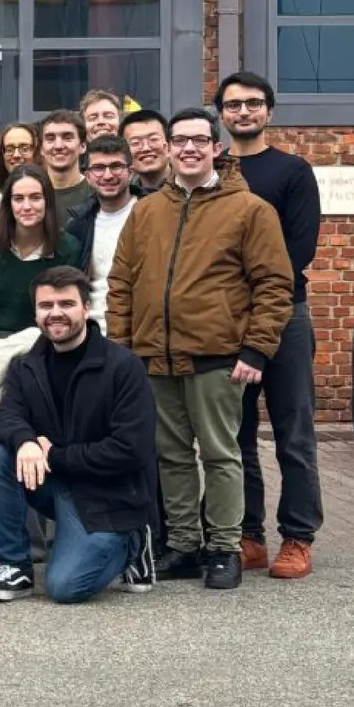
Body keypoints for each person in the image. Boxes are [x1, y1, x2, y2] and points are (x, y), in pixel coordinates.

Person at [107, 107, 293, 590]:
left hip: (218, 358)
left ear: (216, 148)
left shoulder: (250, 210)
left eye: (198, 140)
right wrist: (122, 350)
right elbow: (121, 283)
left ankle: (225, 548)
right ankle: (185, 545)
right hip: (154, 358)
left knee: (220, 454)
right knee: (170, 455)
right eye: (180, 141)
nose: (188, 148)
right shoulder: (146, 211)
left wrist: (256, 348)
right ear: (168, 149)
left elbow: (274, 285)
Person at [0, 267, 158, 603]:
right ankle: (15, 566)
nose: (55, 313)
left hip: (107, 497)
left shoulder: (123, 367)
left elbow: (130, 449)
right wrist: (26, 441)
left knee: (65, 588)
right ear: (35, 313)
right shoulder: (26, 365)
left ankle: (133, 539)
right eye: (46, 305)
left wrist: (54, 455)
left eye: (66, 304)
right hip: (57, 483)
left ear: (86, 309)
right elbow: (5, 417)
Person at [217, 70, 323, 579]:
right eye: (234, 104)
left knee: (293, 431)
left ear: (269, 111)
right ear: (221, 114)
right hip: (226, 321)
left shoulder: (293, 171)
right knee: (234, 435)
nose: (244, 112)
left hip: (285, 316)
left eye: (253, 103)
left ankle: (298, 537)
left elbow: (299, 250)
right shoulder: (212, 170)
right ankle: (248, 535)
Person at [0, 164, 81, 335]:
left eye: (35, 198)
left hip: (47, 341)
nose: (26, 206)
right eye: (18, 199)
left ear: (47, 201)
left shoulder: (68, 248)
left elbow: (65, 312)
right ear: (8, 203)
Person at [66, 135, 140, 329]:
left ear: (131, 172)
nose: (107, 176)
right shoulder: (77, 226)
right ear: (88, 176)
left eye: (116, 166)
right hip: (91, 329)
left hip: (141, 327)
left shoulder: (153, 213)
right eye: (98, 168)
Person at [38, 110, 94, 224]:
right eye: (50, 138)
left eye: (67, 137)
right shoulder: (29, 195)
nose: (58, 146)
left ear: (83, 146)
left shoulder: (96, 193)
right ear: (41, 149)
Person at [120, 109, 170, 193]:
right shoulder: (121, 194)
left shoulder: (189, 186)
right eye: (136, 142)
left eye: (153, 139)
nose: (146, 148)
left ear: (168, 145)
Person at [0, 122, 38, 193]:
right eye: (9, 149)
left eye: (24, 149)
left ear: (36, 151)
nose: (16, 155)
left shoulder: (48, 193)